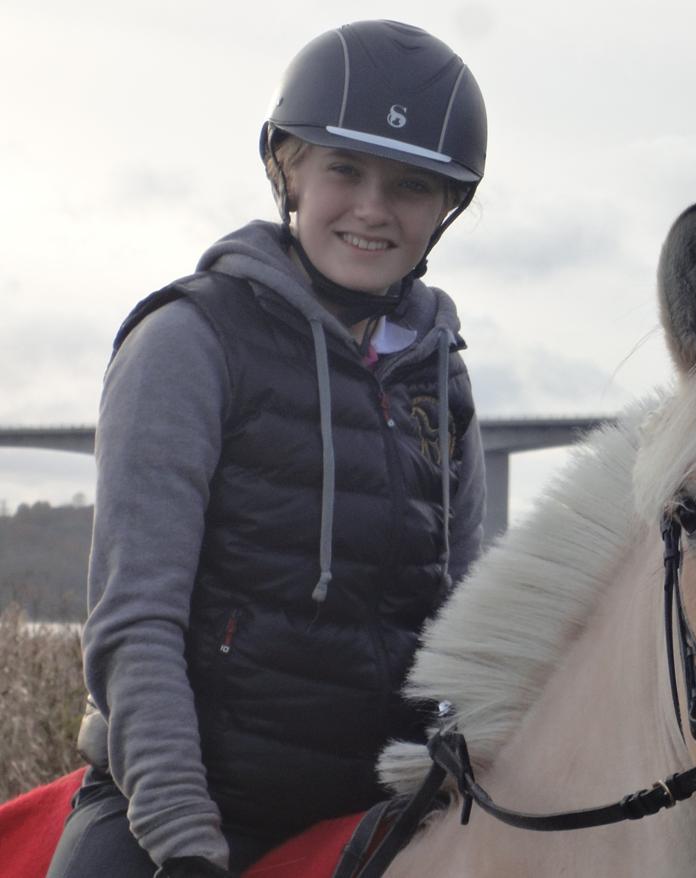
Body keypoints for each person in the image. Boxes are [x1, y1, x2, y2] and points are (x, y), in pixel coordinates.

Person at [47, 20, 487, 878]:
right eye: (343, 170)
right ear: (288, 169)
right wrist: (182, 841)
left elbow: (461, 631)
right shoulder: (188, 342)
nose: (372, 207)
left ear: (444, 209)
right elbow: (136, 622)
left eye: (409, 185)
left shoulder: (445, 386)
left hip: (381, 808)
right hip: (181, 809)